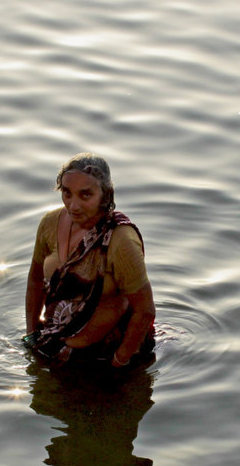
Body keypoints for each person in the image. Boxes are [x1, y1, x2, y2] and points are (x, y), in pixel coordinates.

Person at [24, 153, 155, 368]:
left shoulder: (120, 240)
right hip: (54, 345)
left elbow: (145, 310)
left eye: (85, 195)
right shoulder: (49, 224)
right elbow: (36, 281)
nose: (73, 205)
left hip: (106, 358)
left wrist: (119, 360)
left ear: (105, 195)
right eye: (67, 193)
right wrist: (31, 334)